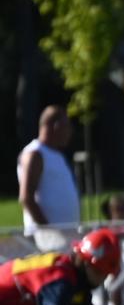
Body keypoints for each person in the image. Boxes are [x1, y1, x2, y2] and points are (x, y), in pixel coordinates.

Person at [18, 105, 82, 248]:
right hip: (44, 240)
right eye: (67, 126)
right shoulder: (35, 153)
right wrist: (50, 232)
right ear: (55, 126)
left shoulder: (56, 155)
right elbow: (26, 198)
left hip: (63, 239)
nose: (70, 132)